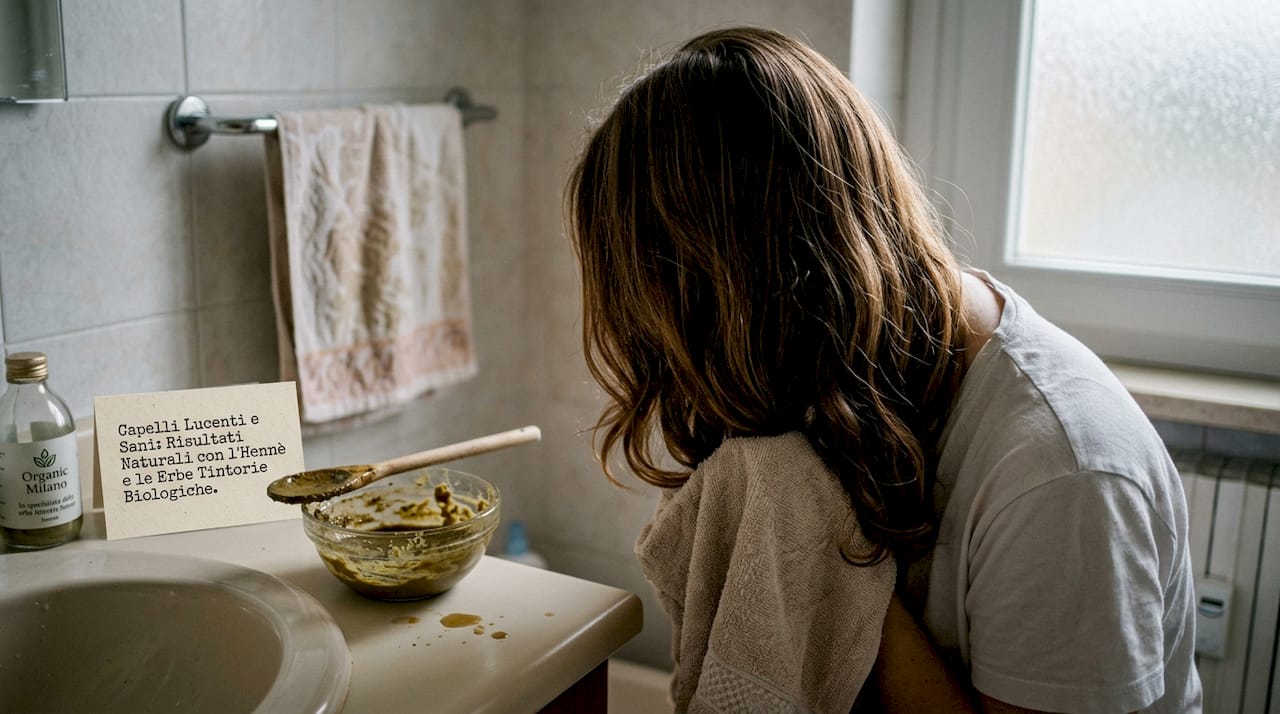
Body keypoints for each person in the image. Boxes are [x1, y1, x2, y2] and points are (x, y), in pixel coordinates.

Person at [566, 26, 1201, 713]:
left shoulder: (1061, 476)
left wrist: (824, 555)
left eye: (684, 324)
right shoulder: (832, 372)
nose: (682, 369)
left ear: (761, 291)